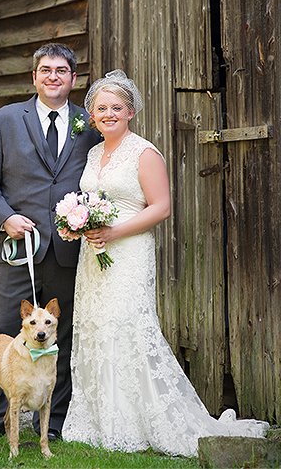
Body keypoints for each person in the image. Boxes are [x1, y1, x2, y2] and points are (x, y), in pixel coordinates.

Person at [61, 70, 268, 456]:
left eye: (116, 108)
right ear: (92, 115)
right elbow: (89, 202)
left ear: (131, 112)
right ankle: (100, 420)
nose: (109, 114)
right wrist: (79, 224)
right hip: (94, 256)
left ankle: (148, 420)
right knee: (95, 327)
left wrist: (114, 232)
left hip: (129, 252)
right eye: (101, 108)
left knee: (128, 328)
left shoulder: (144, 152)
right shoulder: (92, 153)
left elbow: (161, 207)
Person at [0, 43, 102, 437]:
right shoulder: (5, 119)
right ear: (34, 76)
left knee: (60, 336)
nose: (53, 76)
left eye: (62, 70)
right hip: (17, 250)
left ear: (73, 78)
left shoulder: (89, 124)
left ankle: (55, 423)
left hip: (67, 251)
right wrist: (6, 216)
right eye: (45, 70)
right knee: (5, 330)